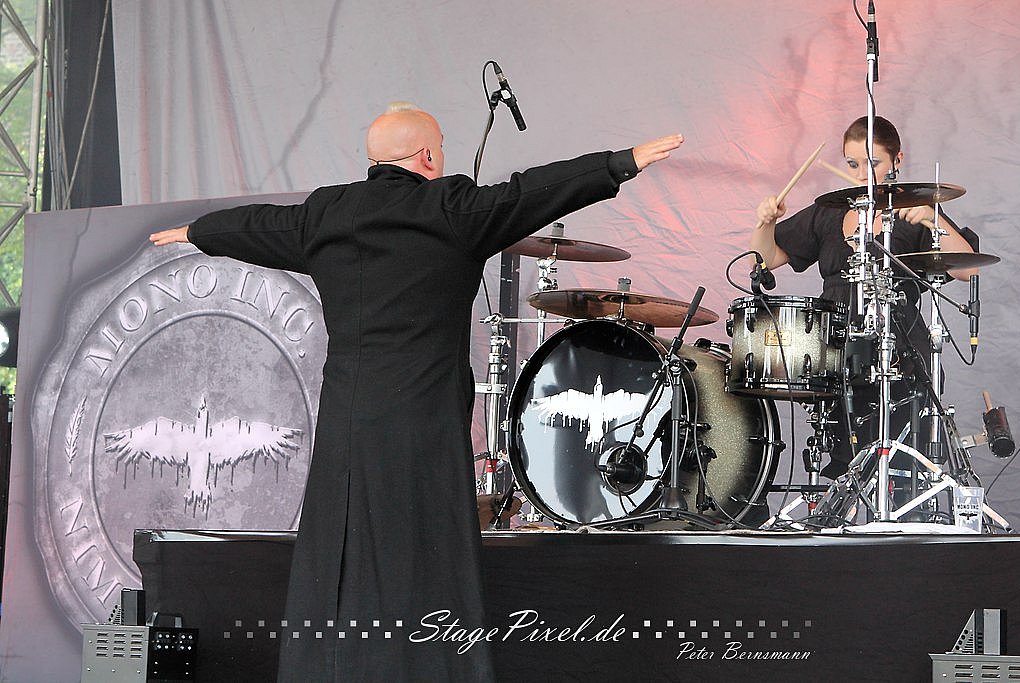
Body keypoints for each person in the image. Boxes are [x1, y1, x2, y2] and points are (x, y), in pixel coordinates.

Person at [150, 102, 683, 682]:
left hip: (348, 419)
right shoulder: (451, 209)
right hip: (424, 415)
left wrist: (198, 232)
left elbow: (257, 226)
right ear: (428, 157)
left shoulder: (327, 213)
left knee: (340, 551)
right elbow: (532, 193)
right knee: (429, 552)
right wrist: (618, 163)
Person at [749, 115, 977, 483]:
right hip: (838, 351)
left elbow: (969, 268)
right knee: (847, 461)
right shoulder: (830, 211)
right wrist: (765, 223)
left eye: (873, 163)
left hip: (901, 351)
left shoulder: (913, 209)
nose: (861, 173)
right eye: (852, 164)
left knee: (903, 463)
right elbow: (765, 259)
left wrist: (933, 218)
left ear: (897, 160)